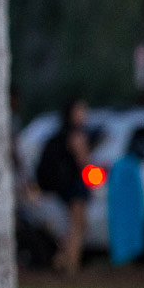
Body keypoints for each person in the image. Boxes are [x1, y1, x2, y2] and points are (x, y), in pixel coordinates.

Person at [35, 98, 91, 275]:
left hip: (67, 185)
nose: (84, 114)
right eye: (81, 110)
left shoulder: (63, 132)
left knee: (76, 225)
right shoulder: (76, 134)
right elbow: (84, 162)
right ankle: (70, 266)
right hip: (75, 185)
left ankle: (62, 260)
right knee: (77, 226)